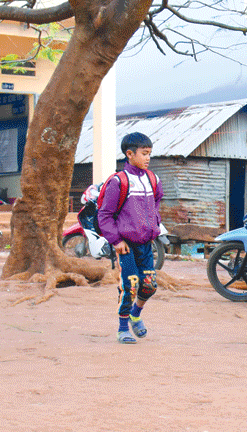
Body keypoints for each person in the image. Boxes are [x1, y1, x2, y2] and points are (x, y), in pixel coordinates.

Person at [97, 132, 163, 344]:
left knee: (150, 285)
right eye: (144, 154)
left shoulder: (153, 179)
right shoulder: (119, 181)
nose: (148, 158)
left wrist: (154, 224)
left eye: (149, 154)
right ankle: (123, 327)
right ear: (129, 154)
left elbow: (157, 203)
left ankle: (136, 314)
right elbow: (104, 215)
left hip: (146, 243)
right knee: (131, 284)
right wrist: (116, 240)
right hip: (125, 246)